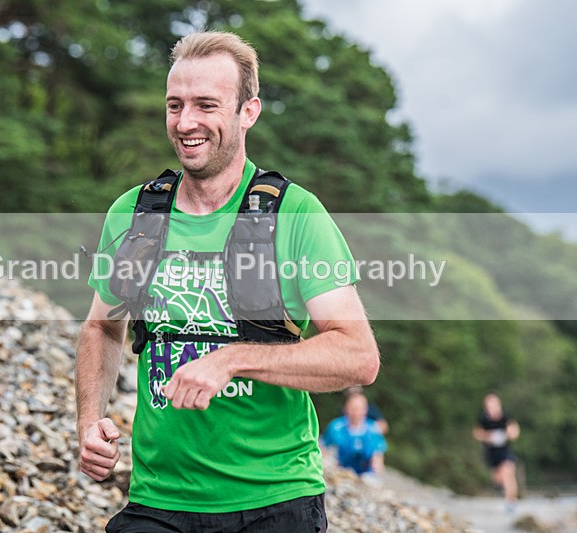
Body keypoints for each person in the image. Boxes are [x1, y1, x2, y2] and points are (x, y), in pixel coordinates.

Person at [75, 30, 380, 532]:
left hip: (276, 498)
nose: (186, 122)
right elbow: (102, 329)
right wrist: (90, 423)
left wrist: (233, 358)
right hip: (158, 498)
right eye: (175, 105)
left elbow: (357, 357)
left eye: (206, 105)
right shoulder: (134, 213)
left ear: (248, 112)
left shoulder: (296, 213)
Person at [321, 390, 387, 479]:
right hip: (340, 470)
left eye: (359, 408)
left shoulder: (373, 430)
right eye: (353, 408)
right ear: (346, 408)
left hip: (365, 473)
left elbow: (377, 457)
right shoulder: (336, 427)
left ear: (365, 410)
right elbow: (324, 447)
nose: (356, 412)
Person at [473, 392, 520, 512]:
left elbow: (514, 431)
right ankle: (503, 490)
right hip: (491, 452)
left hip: (504, 451)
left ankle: (511, 502)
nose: (491, 408)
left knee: (508, 473)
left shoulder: (505, 416)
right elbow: (477, 433)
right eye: (488, 406)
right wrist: (488, 437)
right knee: (498, 479)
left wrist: (507, 435)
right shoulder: (483, 418)